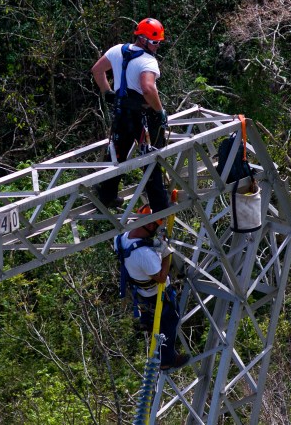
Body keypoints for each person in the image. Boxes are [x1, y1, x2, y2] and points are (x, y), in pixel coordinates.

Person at [92, 18, 170, 211]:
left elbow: (97, 70)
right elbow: (148, 89)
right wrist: (159, 112)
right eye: (154, 42)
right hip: (141, 117)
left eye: (159, 42)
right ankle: (159, 205)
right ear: (142, 39)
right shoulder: (148, 61)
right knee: (151, 158)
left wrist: (108, 92)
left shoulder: (117, 50)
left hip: (121, 113)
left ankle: (106, 196)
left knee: (116, 155)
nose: (157, 46)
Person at [114, 205, 189, 370]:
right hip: (155, 292)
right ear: (149, 225)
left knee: (150, 310)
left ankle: (146, 320)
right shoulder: (144, 255)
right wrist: (166, 254)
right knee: (169, 321)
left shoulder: (122, 238)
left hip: (139, 288)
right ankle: (167, 360)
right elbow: (161, 278)